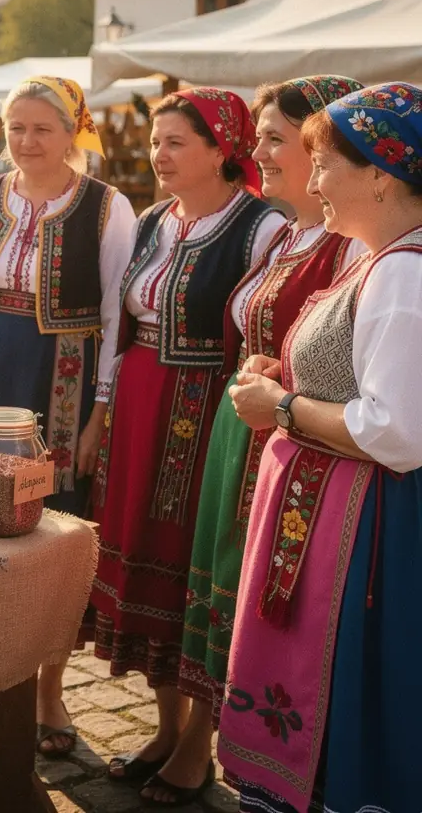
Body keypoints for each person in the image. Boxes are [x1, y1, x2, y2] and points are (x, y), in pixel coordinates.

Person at [221, 83, 422, 813]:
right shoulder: (385, 259)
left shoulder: (403, 273)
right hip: (341, 511)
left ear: (380, 172)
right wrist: (294, 377)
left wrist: (281, 407)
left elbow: (396, 431)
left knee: (351, 689)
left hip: (367, 526)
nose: (312, 183)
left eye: (326, 163)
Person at [0, 75, 136, 756]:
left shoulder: (107, 209)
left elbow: (116, 317)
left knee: (51, 530)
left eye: (41, 128)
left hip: (63, 382)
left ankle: (49, 690)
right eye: (15, 127)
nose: (25, 141)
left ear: (73, 130)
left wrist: (99, 413)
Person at [170, 77, 365, 798]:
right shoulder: (290, 231)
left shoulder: (354, 248)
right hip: (249, 429)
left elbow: (347, 367)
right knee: (226, 585)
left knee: (266, 605)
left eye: (277, 138)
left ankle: (239, 749)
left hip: (296, 441)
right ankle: (195, 733)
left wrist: (277, 389)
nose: (259, 152)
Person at [92, 89, 286, 805]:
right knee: (142, 558)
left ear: (221, 148)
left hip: (207, 413)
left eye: (175, 143)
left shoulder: (262, 228)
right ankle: (165, 727)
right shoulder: (152, 221)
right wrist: (105, 413)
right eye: (155, 143)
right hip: (144, 399)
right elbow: (125, 323)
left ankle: (199, 742)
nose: (158, 156)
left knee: (189, 562)